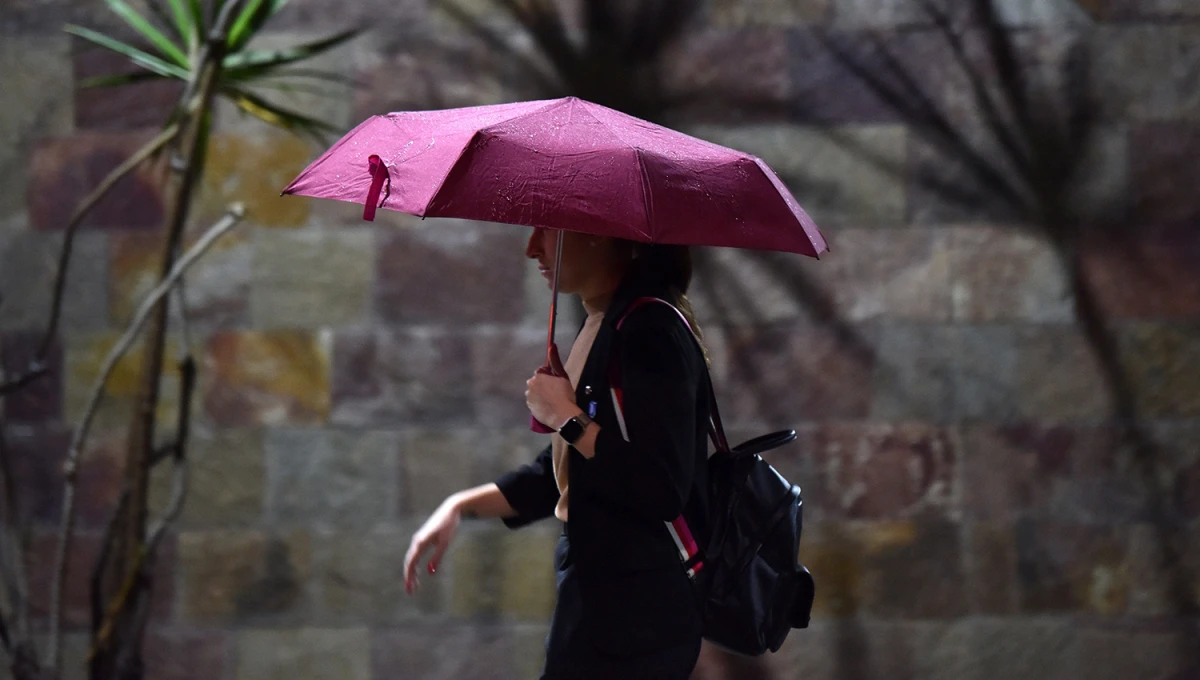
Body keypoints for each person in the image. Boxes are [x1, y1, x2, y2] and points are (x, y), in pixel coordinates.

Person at [403, 226, 713, 679]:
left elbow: (661, 486)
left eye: (546, 230)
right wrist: (460, 506)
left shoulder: (650, 329)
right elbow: (567, 474)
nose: (531, 249)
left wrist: (567, 417)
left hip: (633, 612)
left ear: (598, 234)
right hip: (604, 596)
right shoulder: (604, 322)